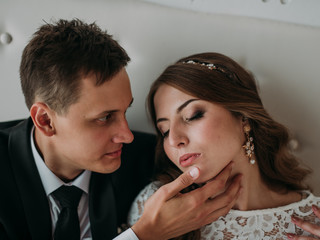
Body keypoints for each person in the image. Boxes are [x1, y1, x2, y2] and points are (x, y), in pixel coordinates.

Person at [0, 20, 242, 240]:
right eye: (105, 118)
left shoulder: (148, 160)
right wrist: (144, 234)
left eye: (125, 111)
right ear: (45, 121)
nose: (127, 135)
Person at [128, 52, 320, 239]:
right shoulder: (155, 207)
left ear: (243, 117)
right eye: (164, 131)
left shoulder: (316, 218)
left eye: (193, 115)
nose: (174, 139)